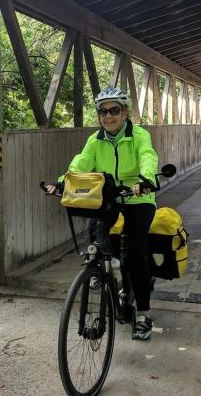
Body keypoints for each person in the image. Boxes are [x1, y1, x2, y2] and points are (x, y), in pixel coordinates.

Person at [45, 87, 158, 341]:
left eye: (114, 110)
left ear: (125, 112)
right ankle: (102, 269)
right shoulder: (95, 140)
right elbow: (81, 163)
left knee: (135, 251)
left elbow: (148, 156)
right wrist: (63, 182)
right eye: (103, 111)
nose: (108, 116)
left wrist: (146, 178)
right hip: (108, 195)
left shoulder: (139, 135)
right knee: (97, 235)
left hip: (138, 195)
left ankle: (143, 314)